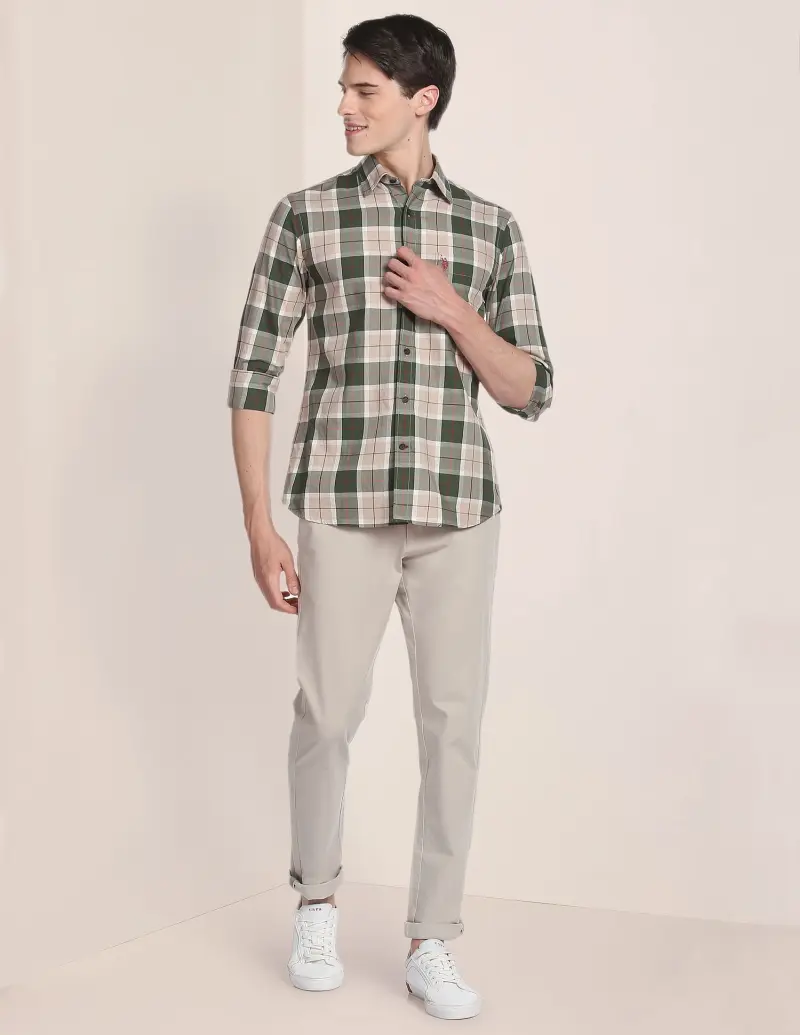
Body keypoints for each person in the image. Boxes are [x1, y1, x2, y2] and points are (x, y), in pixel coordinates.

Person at [228, 13, 554, 1021]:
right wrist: (259, 525)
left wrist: (454, 310)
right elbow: (252, 376)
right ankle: (316, 903)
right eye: (343, 86)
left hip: (457, 510)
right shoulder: (306, 217)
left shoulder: (491, 228)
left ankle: (431, 936)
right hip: (341, 503)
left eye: (363, 90)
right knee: (326, 715)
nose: (343, 105)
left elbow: (530, 388)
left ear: (423, 100)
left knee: (453, 727)